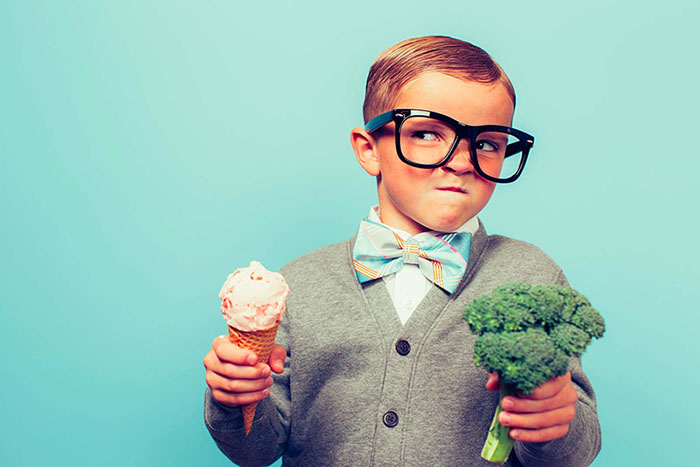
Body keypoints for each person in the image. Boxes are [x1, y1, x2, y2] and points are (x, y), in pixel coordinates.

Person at [202, 35, 601, 466]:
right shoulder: (298, 285)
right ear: (369, 149)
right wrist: (232, 398)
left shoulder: (531, 276)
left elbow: (573, 452)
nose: (463, 161)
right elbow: (255, 450)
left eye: (487, 143)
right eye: (428, 133)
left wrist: (554, 421)